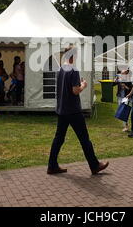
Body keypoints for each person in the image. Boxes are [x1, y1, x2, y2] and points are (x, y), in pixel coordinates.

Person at [47, 47, 109, 175]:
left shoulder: (59, 69)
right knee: (84, 139)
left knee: (59, 138)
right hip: (73, 110)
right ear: (72, 56)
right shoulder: (73, 70)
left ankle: (52, 166)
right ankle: (95, 165)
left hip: (61, 109)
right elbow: (75, 91)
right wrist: (83, 85)